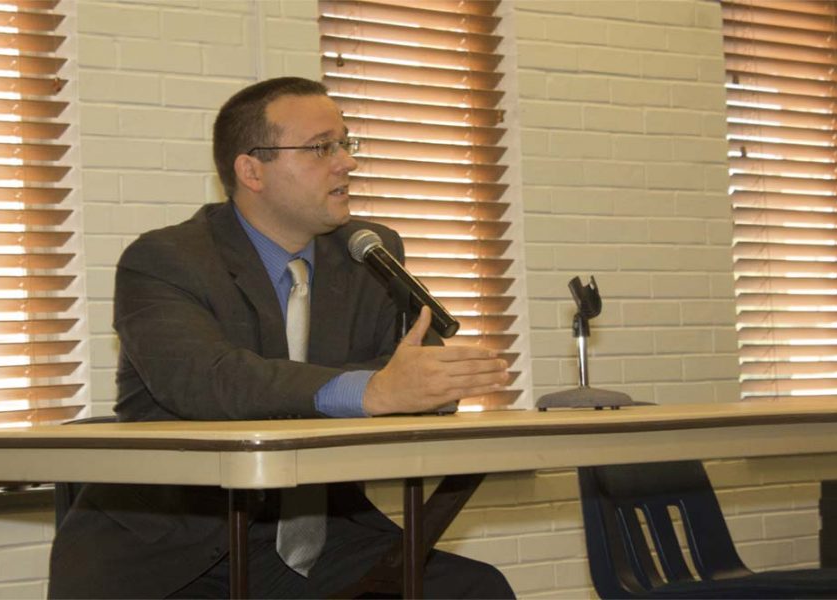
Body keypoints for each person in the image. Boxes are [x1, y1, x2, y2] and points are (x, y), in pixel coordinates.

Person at [48, 77, 514, 599]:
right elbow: (208, 381)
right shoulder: (165, 260)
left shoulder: (369, 252)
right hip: (180, 551)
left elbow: (410, 373)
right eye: (321, 148)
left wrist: (424, 386)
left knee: (474, 590)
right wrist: (370, 391)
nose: (346, 163)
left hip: (329, 535)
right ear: (252, 170)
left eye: (345, 143)